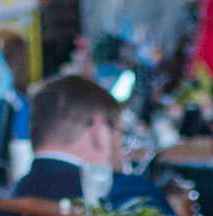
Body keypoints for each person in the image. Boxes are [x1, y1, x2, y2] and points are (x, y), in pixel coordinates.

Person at [12, 73, 165, 207]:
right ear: (98, 131)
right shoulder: (130, 195)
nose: (120, 143)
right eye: (120, 132)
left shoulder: (16, 193)